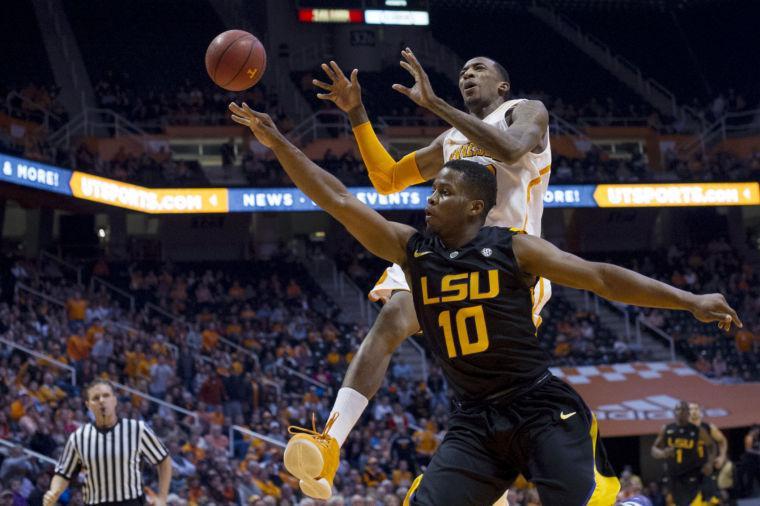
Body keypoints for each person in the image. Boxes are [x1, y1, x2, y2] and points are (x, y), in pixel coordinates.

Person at [227, 101, 741, 504]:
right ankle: (330, 439)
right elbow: (336, 199)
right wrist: (277, 142)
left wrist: (690, 300)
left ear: (475, 206)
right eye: (431, 190)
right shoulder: (413, 251)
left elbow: (603, 278)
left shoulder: (513, 246)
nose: (429, 198)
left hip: (540, 410)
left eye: (443, 191)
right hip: (474, 421)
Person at [303, 48, 552, 496]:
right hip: (447, 253)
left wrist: (435, 102)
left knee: (497, 399)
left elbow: (513, 149)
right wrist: (357, 113)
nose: (467, 74)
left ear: (502, 86)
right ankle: (330, 442)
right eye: (462, 71)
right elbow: (387, 179)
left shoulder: (525, 111)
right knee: (393, 317)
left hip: (509, 264)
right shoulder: (451, 139)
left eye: (479, 68)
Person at [44, 380, 172, 506]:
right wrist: (54, 491)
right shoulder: (79, 437)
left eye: (106, 395)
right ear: (88, 405)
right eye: (95, 398)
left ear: (114, 400)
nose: (101, 401)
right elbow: (62, 473)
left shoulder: (137, 429)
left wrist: (162, 497)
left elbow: (164, 460)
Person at [651, 401, 717, 506]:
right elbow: (654, 450)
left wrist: (709, 463)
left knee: (690, 502)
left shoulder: (697, 430)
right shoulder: (667, 429)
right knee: (672, 502)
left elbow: (712, 446)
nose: (680, 412)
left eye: (683, 409)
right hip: (672, 474)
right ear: (674, 412)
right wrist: (663, 453)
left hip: (691, 473)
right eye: (678, 409)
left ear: (688, 413)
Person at [688, 402, 730, 500]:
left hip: (706, 468)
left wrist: (722, 456)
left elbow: (722, 441)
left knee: (710, 497)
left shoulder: (708, 427)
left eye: (696, 409)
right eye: (691, 409)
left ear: (700, 411)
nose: (694, 411)